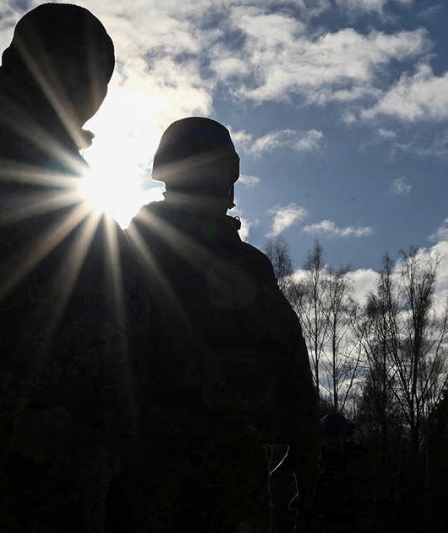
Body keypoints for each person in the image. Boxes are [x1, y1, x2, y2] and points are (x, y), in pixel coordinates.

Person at [0, 4, 135, 531]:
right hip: (12, 422)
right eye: (91, 76)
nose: (95, 98)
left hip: (67, 419)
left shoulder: (52, 156)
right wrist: (37, 407)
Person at [126, 117, 319, 532]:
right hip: (148, 477)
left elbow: (292, 373)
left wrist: (310, 471)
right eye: (208, 168)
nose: (219, 183)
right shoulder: (130, 252)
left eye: (221, 170)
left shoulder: (251, 266)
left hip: (236, 481)